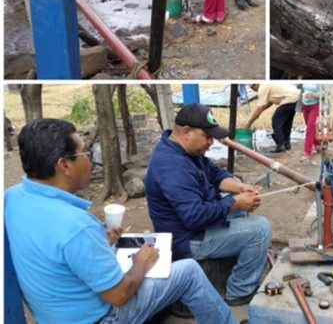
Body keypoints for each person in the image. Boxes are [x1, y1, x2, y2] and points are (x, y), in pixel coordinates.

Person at [5, 119, 237, 324]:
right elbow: (119, 295)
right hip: (103, 317)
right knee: (188, 271)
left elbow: (52, 248)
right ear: (64, 165)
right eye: (85, 153)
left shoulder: (12, 197)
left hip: (53, 314)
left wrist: (99, 242)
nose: (90, 160)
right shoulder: (77, 227)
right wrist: (141, 264)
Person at [145, 104, 271, 306]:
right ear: (187, 132)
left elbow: (213, 174)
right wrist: (235, 203)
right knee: (260, 229)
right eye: (207, 136)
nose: (211, 143)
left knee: (243, 216)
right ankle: (239, 291)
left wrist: (239, 188)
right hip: (186, 240)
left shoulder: (184, 151)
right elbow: (194, 217)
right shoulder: (172, 166)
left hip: (195, 228)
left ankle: (233, 273)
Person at [244, 83, 301, 153]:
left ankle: (280, 145)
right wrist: (262, 110)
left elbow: (258, 109)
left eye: (253, 88)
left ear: (255, 85)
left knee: (276, 121)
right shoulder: (267, 84)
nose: (254, 91)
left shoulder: (262, 88)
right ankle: (287, 144)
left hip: (289, 99)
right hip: (297, 97)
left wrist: (249, 123)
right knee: (287, 122)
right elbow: (270, 102)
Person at [300, 83, 321, 162]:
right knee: (311, 127)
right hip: (305, 105)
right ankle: (317, 145)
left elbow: (325, 94)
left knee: (309, 129)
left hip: (315, 105)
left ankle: (307, 152)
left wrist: (313, 95)